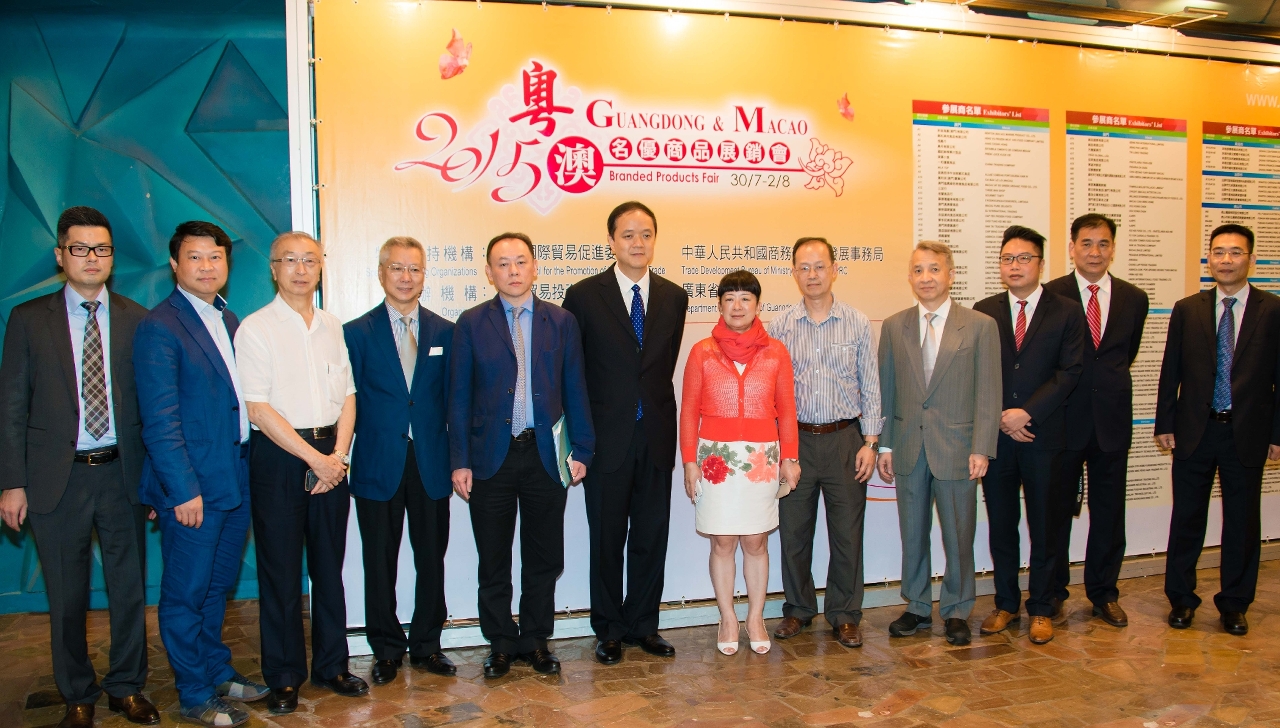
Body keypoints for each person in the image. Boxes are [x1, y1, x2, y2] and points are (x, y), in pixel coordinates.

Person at [0, 207, 158, 728]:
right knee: (66, 596)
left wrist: (158, 481)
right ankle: (77, 694)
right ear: (61, 254)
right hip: (56, 478)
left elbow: (153, 410)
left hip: (122, 474)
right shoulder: (28, 319)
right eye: (81, 249)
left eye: (103, 249)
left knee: (129, 589)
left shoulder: (138, 319)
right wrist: (12, 483)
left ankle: (127, 685)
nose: (92, 259)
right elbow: (12, 407)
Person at [134, 221, 269, 727]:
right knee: (186, 592)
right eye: (195, 257)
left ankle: (216, 670)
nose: (207, 266)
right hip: (193, 486)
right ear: (175, 264)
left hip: (234, 474)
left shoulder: (229, 319)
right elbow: (160, 420)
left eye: (215, 257)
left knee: (217, 587)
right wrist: (181, 489)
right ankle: (194, 692)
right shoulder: (160, 326)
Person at [448, 232, 595, 679]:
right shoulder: (471, 323)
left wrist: (582, 448)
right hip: (490, 457)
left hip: (545, 456)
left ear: (535, 267)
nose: (513, 271)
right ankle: (499, 642)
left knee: (543, 556)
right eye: (503, 263)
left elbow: (575, 388)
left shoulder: (561, 321)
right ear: (489, 272)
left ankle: (535, 639)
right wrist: (459, 459)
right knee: (493, 557)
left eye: (520, 262)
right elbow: (458, 397)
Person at [235, 232, 367, 713]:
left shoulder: (332, 325)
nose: (300, 268)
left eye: (309, 260)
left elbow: (349, 395)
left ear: (320, 267)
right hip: (280, 456)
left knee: (330, 569)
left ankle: (332, 665)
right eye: (289, 260)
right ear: (273, 268)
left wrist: (338, 456)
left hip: (332, 453)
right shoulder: (255, 328)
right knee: (281, 572)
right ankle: (285, 675)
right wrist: (313, 460)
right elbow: (258, 408)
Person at [563, 202, 688, 665]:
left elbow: (661, 367)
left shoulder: (674, 297)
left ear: (655, 239)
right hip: (605, 438)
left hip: (655, 435)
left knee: (651, 535)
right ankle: (609, 628)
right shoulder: (582, 295)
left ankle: (644, 625)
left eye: (646, 234)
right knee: (607, 538)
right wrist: (581, 438)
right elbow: (574, 372)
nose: (638, 243)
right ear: (611, 240)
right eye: (628, 235)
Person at [1156, 223, 1280, 636]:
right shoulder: (1188, 308)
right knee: (1186, 517)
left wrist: (1277, 433)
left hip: (1246, 432)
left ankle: (1234, 604)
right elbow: (1170, 369)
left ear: (1251, 259)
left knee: (1242, 522)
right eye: (1219, 252)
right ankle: (1182, 600)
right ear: (1209, 258)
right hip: (1194, 430)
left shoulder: (1272, 310)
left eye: (1236, 252)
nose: (1226, 260)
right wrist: (1164, 423)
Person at [877, 241, 1001, 647]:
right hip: (909, 448)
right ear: (909, 277)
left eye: (934, 269)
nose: (925, 278)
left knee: (958, 534)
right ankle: (916, 605)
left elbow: (988, 391)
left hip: (959, 450)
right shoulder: (895, 326)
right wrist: (885, 446)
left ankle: (957, 608)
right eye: (918, 270)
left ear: (950, 275)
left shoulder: (979, 325)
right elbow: (888, 390)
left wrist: (982, 446)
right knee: (912, 532)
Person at [344, 237, 456, 683]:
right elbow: (346, 401)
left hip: (430, 462)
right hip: (377, 462)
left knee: (431, 559)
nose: (406, 277)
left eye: (414, 269)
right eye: (397, 268)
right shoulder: (356, 332)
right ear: (381, 273)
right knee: (380, 562)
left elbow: (453, 399)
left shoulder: (446, 332)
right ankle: (386, 648)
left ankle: (427, 645)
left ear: (425, 275)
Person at [767, 237, 882, 649]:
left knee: (847, 535)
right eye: (803, 267)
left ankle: (845, 613)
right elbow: (771, 392)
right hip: (796, 441)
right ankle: (798, 609)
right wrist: (781, 447)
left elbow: (871, 386)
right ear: (793, 273)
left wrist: (871, 441)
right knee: (794, 533)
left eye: (819, 266)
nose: (812, 275)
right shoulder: (780, 326)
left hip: (845, 440)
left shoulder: (857, 322)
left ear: (835, 269)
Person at [973, 226, 1084, 645]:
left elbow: (1070, 372)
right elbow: (978, 373)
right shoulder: (984, 311)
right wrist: (1003, 416)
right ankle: (1005, 603)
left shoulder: (1067, 311)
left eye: (1023, 258)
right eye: (1007, 259)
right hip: (996, 439)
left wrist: (1027, 412)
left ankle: (1041, 607)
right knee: (1002, 524)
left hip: (1045, 436)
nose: (1014, 266)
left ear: (1040, 263)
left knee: (1046, 524)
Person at [680, 270, 799, 656]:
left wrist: (790, 458)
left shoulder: (776, 352)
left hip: (762, 459)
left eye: (745, 298)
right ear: (719, 305)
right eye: (729, 298)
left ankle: (756, 617)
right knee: (723, 540)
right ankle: (728, 616)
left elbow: (787, 411)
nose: (737, 306)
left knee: (756, 539)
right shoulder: (702, 351)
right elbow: (688, 412)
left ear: (757, 305)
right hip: (715, 459)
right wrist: (689, 462)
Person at [1044, 213, 1149, 628]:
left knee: (1109, 513)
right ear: (1072, 247)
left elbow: (1124, 355)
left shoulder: (1133, 298)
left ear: (1113, 249)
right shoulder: (1051, 294)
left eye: (1103, 244)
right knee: (1054, 512)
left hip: (1110, 422)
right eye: (1086, 243)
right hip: (1063, 421)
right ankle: (1051, 592)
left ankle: (1104, 593)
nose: (1094, 252)